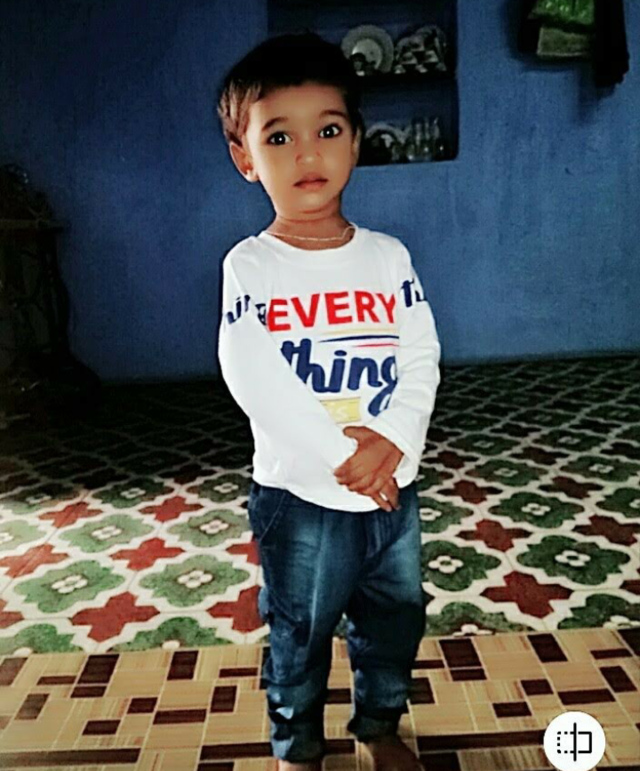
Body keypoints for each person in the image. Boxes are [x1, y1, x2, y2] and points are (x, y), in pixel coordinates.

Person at [216, 32, 441, 771]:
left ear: (356, 142)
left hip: (391, 490)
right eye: (279, 136)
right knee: (300, 628)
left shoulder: (388, 256)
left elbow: (420, 353)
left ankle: (378, 725)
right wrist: (345, 455)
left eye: (329, 129)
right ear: (246, 158)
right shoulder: (251, 266)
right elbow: (253, 374)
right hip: (303, 495)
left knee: (396, 618)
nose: (307, 153)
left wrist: (395, 440)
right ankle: (298, 746)